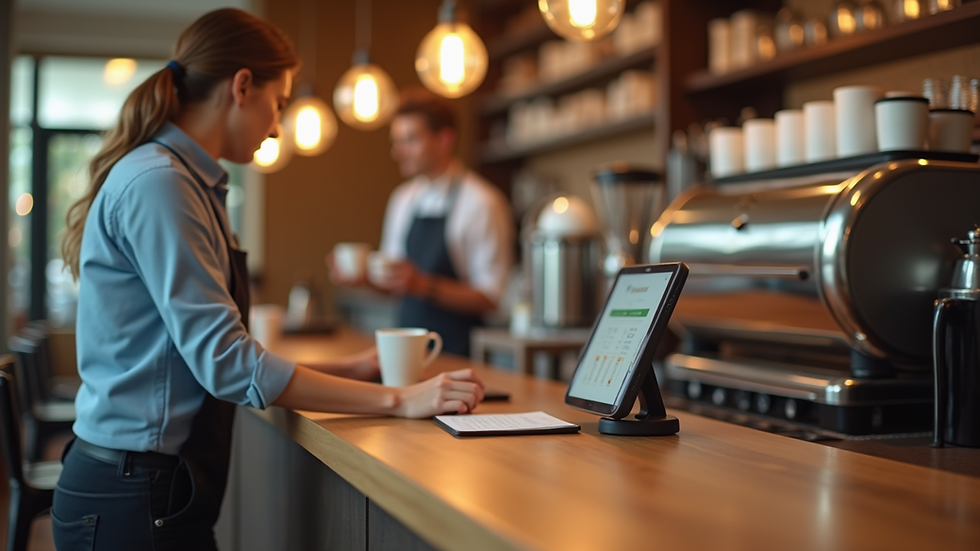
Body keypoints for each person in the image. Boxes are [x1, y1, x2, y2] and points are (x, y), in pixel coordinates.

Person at [53, 9, 484, 551]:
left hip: (148, 486)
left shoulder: (190, 183)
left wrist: (349, 370)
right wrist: (400, 400)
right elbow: (228, 364)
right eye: (278, 105)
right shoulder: (161, 184)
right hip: (131, 498)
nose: (278, 126)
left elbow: (203, 358)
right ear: (241, 87)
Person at [334, 91, 514, 357]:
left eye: (411, 140)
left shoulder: (482, 203)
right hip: (406, 353)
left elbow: (491, 298)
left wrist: (423, 285)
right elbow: (396, 284)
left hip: (459, 353)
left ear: (444, 140)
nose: (399, 152)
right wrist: (364, 281)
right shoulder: (402, 199)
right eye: (397, 142)